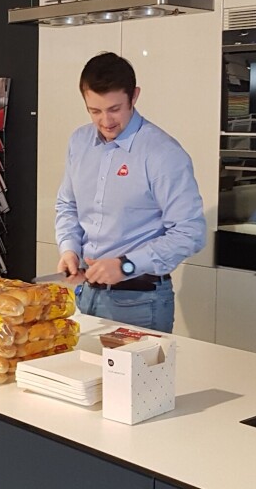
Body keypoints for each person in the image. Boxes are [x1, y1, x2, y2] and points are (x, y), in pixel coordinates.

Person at [55, 52, 206, 333]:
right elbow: (67, 205)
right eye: (94, 111)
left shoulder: (162, 154)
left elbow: (190, 232)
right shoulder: (79, 142)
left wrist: (126, 265)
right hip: (85, 296)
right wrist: (69, 249)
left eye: (114, 109)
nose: (105, 121)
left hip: (140, 303)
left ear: (134, 96)